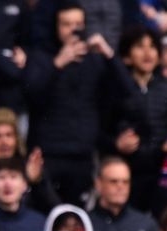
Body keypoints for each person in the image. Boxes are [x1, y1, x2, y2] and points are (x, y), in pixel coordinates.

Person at [24, 1, 114, 203]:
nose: (73, 30)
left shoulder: (94, 60)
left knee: (76, 218)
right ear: (55, 26)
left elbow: (120, 94)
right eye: (66, 24)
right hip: (49, 152)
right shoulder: (41, 57)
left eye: (78, 24)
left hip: (82, 153)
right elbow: (31, 95)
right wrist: (57, 64)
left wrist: (109, 56)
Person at [105, 26, 167, 213]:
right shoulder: (115, 90)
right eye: (140, 47)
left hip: (163, 175)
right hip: (129, 174)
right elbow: (100, 131)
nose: (148, 53)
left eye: (152, 47)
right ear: (127, 55)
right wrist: (116, 144)